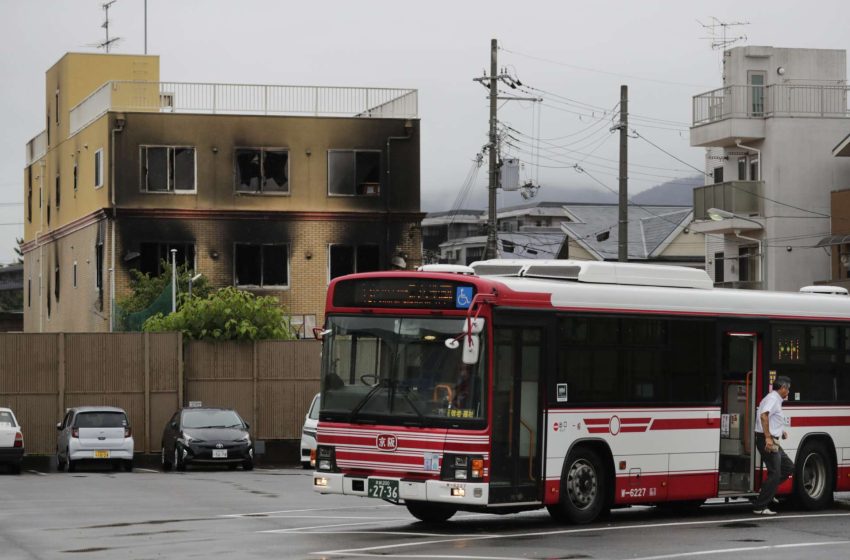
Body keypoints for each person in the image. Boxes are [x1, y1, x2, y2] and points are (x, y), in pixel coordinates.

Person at [752, 376, 795, 515]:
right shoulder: (772, 398)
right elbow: (764, 416)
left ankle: (767, 491)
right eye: (787, 389)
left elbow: (770, 418)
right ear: (782, 387)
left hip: (773, 439)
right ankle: (760, 506)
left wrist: (780, 431)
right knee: (775, 472)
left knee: (788, 467)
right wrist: (768, 437)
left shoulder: (775, 399)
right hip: (767, 440)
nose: (788, 392)